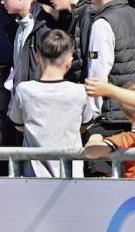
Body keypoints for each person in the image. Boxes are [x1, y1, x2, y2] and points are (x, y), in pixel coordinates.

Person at [7, 28, 94, 178]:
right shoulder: (80, 91)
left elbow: (18, 126)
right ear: (69, 61)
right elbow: (85, 125)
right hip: (71, 177)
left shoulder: (23, 90)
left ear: (37, 56)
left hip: (33, 177)